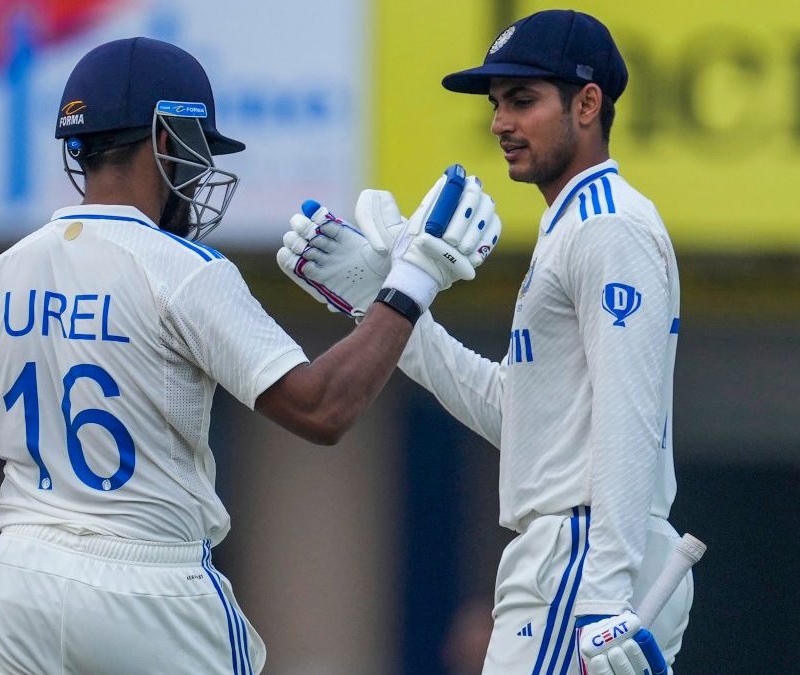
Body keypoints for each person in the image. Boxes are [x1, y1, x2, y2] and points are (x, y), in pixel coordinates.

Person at [0, 36, 501, 675]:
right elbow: (322, 410)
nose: (201, 171)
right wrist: (412, 280)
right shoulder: (183, 270)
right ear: (165, 138)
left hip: (19, 582)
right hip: (151, 584)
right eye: (197, 149)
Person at [279, 10, 692, 675]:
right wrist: (387, 303)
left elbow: (629, 415)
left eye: (523, 100)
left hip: (582, 556)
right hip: (571, 552)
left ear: (588, 104)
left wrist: (602, 596)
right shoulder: (573, 225)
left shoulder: (606, 225)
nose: (500, 122)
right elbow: (522, 418)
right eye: (497, 104)